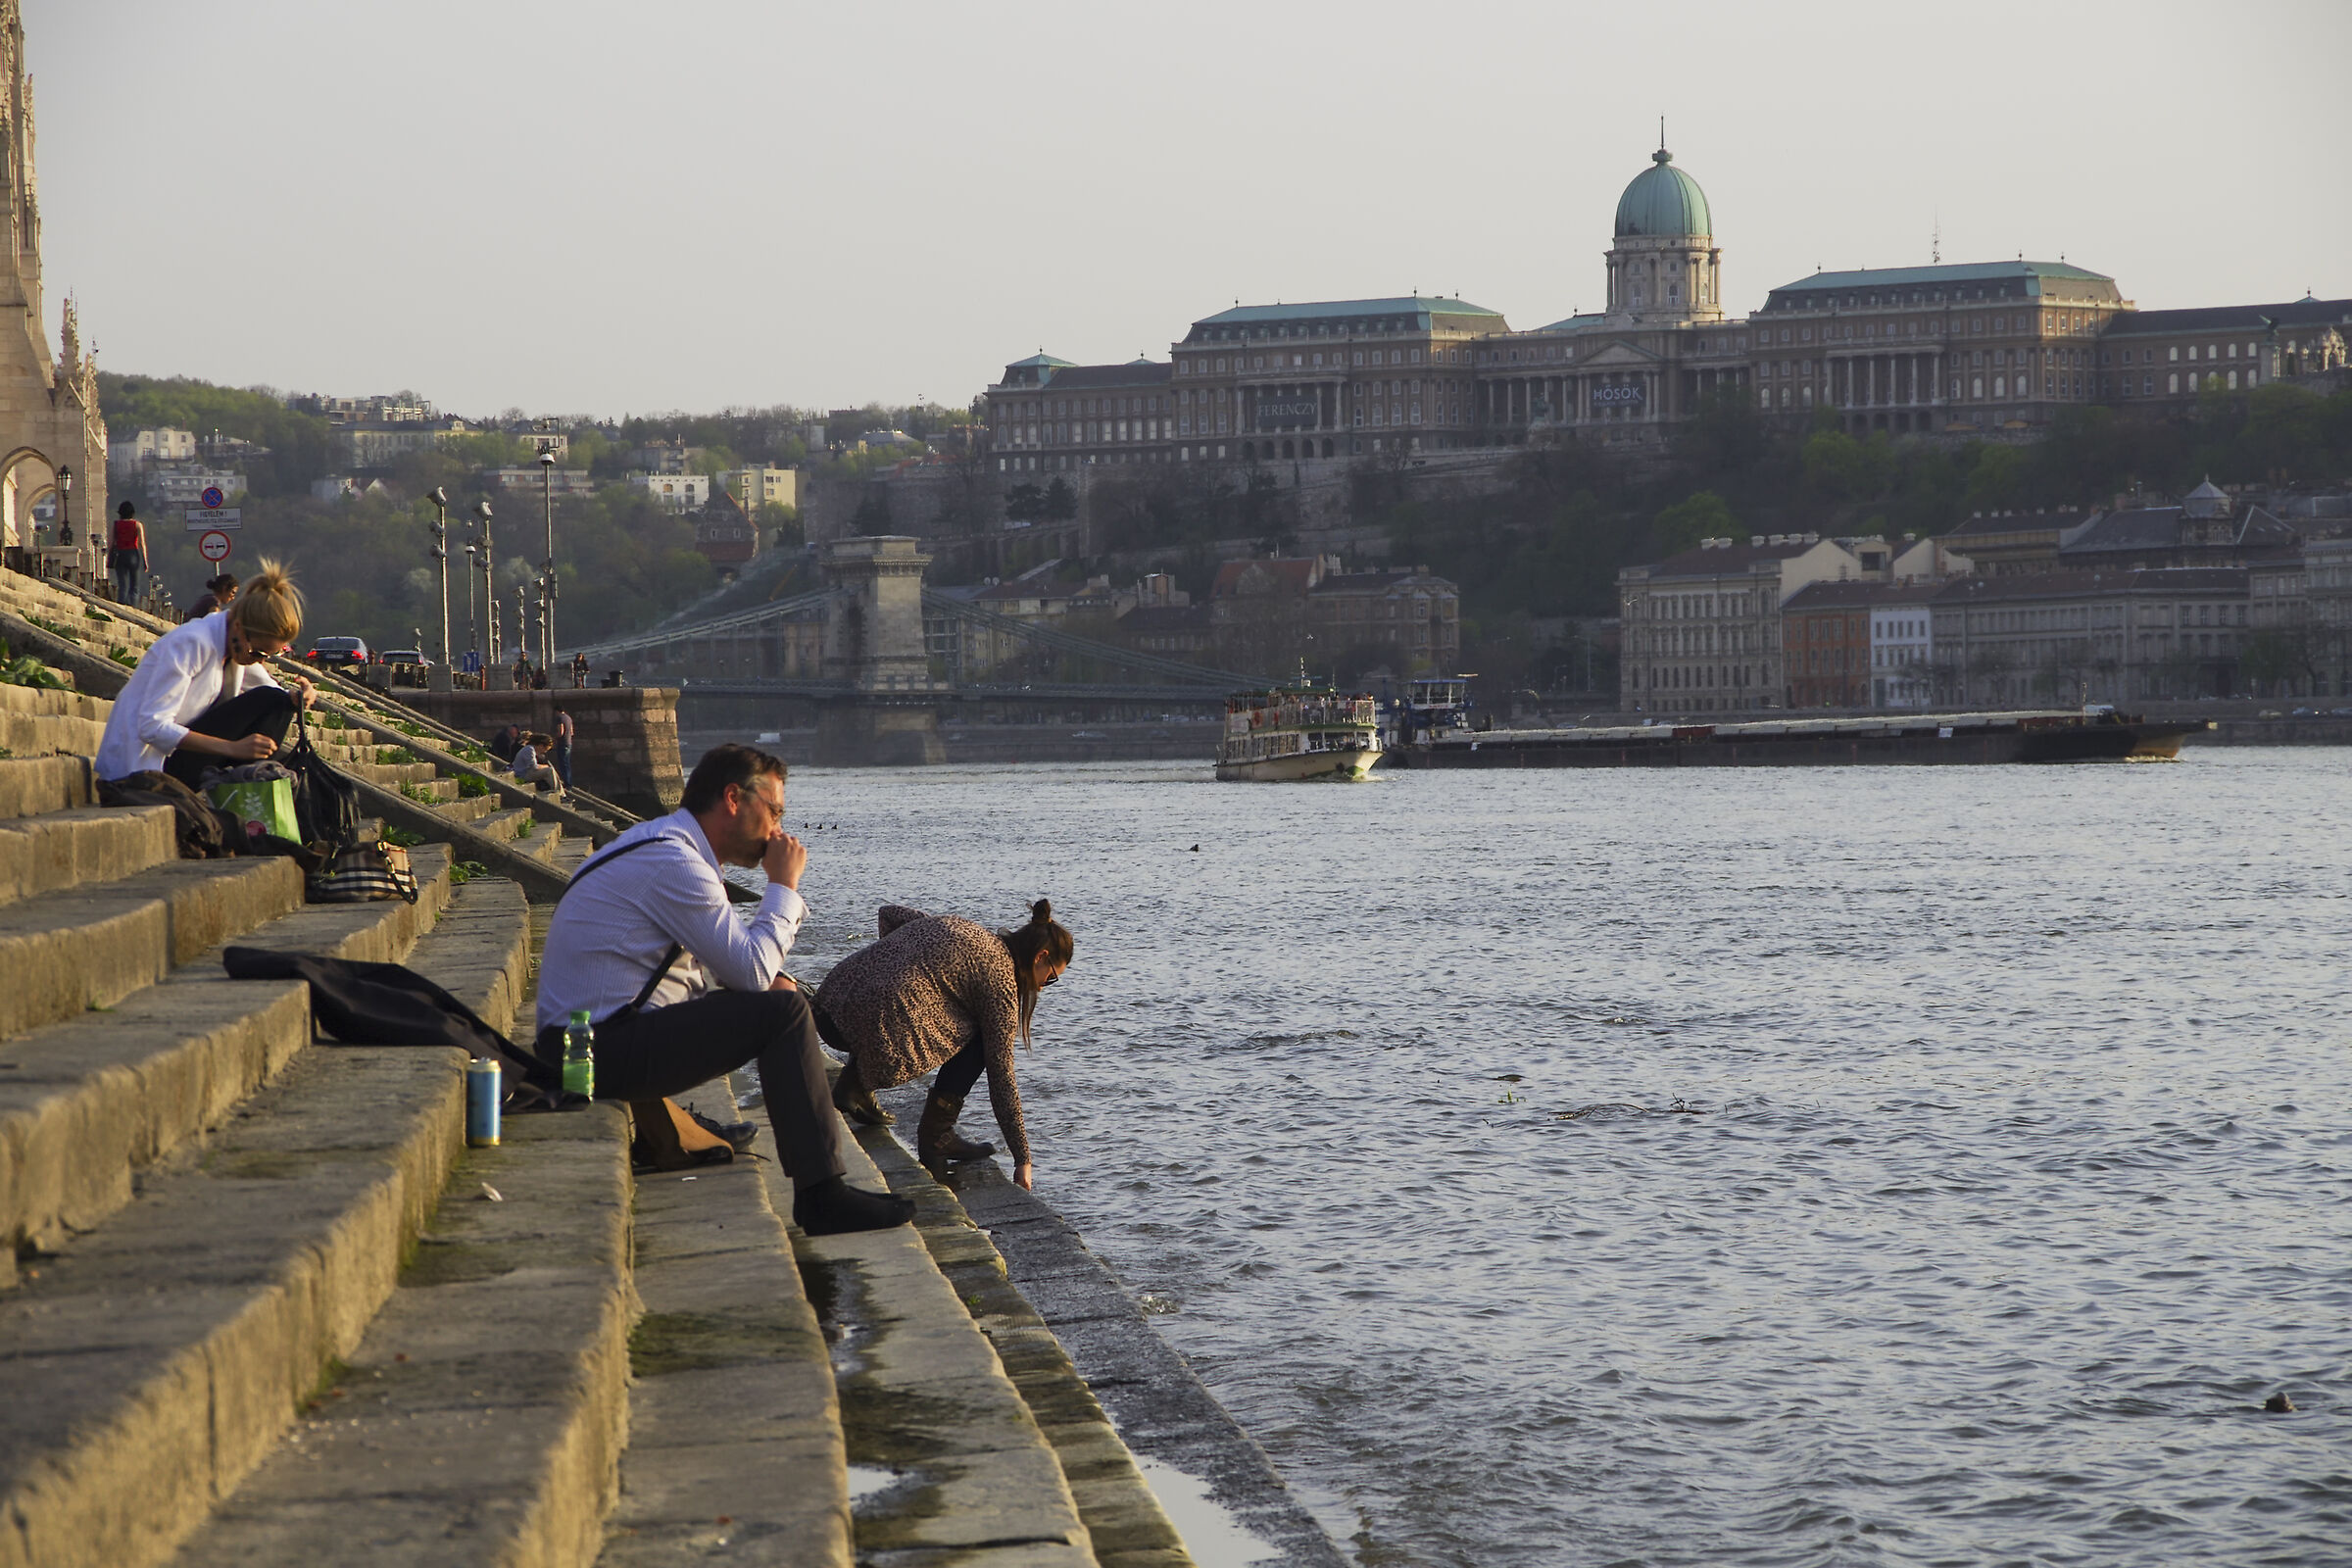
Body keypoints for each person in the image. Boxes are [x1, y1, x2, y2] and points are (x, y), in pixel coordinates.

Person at [533, 743, 913, 1236]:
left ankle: (813, 1181)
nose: (778, 829)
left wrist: (762, 983)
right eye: (774, 811)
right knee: (784, 1010)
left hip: (586, 1041)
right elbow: (752, 970)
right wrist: (784, 886)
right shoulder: (676, 862)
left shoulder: (665, 844)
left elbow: (725, 972)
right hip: (589, 1050)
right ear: (734, 798)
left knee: (779, 992)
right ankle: (821, 1195)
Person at [813, 899, 1074, 1190]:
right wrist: (1022, 1158)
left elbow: (889, 914)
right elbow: (1001, 1076)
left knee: (942, 1007)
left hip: (828, 1008)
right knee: (981, 1034)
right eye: (1050, 978)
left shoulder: (964, 928)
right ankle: (937, 1136)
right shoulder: (1002, 984)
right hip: (874, 1038)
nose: (1041, 987)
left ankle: (855, 1086)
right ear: (1041, 956)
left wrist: (895, 972)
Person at [95, 560, 315, 789]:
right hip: (143, 765)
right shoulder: (192, 643)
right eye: (259, 652)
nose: (260, 660)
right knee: (272, 700)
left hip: (175, 757)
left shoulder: (235, 647)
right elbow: (152, 726)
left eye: (269, 655)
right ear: (238, 627)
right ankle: (248, 785)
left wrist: (299, 696)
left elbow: (274, 693)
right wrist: (232, 748)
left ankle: (252, 784)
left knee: (278, 701)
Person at [107, 501, 148, 605]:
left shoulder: (116, 525)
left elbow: (111, 542)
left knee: (122, 584)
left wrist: (109, 557)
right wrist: (145, 561)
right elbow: (142, 544)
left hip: (120, 555)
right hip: (133, 554)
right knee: (134, 585)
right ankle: (133, 606)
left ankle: (122, 604)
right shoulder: (137, 525)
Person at [552, 709, 575, 790]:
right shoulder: (569, 718)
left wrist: (554, 738)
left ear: (556, 711)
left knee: (563, 764)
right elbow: (572, 732)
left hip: (562, 743)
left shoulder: (559, 718)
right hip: (569, 743)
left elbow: (560, 732)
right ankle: (569, 783)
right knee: (567, 764)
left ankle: (567, 784)